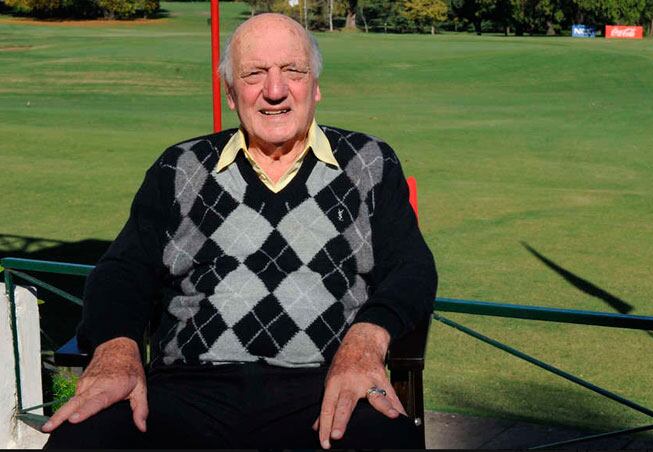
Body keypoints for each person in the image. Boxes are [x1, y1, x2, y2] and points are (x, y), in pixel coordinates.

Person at [43, 13, 437, 449]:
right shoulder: (180, 167)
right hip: (187, 390)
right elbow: (121, 271)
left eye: (293, 71)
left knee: (389, 439)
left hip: (323, 385)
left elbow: (413, 269)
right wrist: (116, 350)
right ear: (231, 94)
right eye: (254, 75)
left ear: (316, 86)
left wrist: (367, 339)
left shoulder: (368, 162)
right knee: (81, 438)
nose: (274, 91)